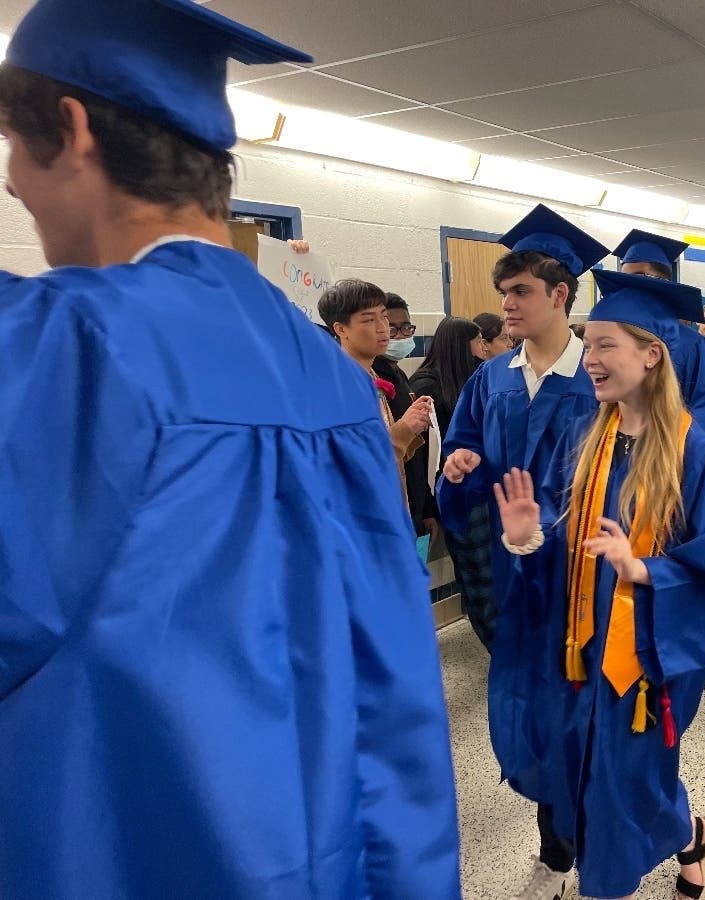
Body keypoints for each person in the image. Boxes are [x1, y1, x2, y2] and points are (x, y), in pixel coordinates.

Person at [0, 2, 460, 898]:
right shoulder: (330, 380)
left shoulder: (62, 348)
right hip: (321, 853)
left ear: (71, 127)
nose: (18, 189)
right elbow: (395, 689)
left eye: (15, 158)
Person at [493, 269, 705, 900]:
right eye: (587, 343)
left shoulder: (698, 454)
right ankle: (691, 837)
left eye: (604, 346)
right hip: (577, 649)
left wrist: (645, 570)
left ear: (651, 355)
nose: (590, 359)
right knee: (585, 772)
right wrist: (528, 534)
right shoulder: (585, 439)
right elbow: (558, 525)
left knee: (629, 781)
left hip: (645, 660)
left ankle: (615, 879)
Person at [438, 203, 608, 900]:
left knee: (590, 716)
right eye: (502, 292)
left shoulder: (599, 380)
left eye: (520, 292)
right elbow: (464, 451)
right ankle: (559, 846)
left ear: (560, 295)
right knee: (540, 712)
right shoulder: (492, 378)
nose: (505, 303)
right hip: (517, 576)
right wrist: (459, 464)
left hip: (585, 577)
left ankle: (610, 841)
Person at [318, 280, 435, 515]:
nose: (383, 327)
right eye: (369, 320)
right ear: (341, 329)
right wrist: (403, 429)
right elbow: (351, 465)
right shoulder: (335, 387)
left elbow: (391, 458)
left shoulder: (370, 376)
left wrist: (411, 428)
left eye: (383, 316)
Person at [613, 228, 705, 450]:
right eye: (623, 278)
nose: (627, 287)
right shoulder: (613, 339)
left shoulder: (691, 345)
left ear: (661, 281)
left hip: (669, 458)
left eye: (636, 277)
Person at [410, 316, 489, 641]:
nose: (483, 347)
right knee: (476, 575)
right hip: (448, 494)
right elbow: (424, 455)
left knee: (486, 575)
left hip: (478, 491)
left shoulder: (472, 379)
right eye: (478, 340)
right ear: (461, 344)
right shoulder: (427, 385)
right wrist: (429, 505)